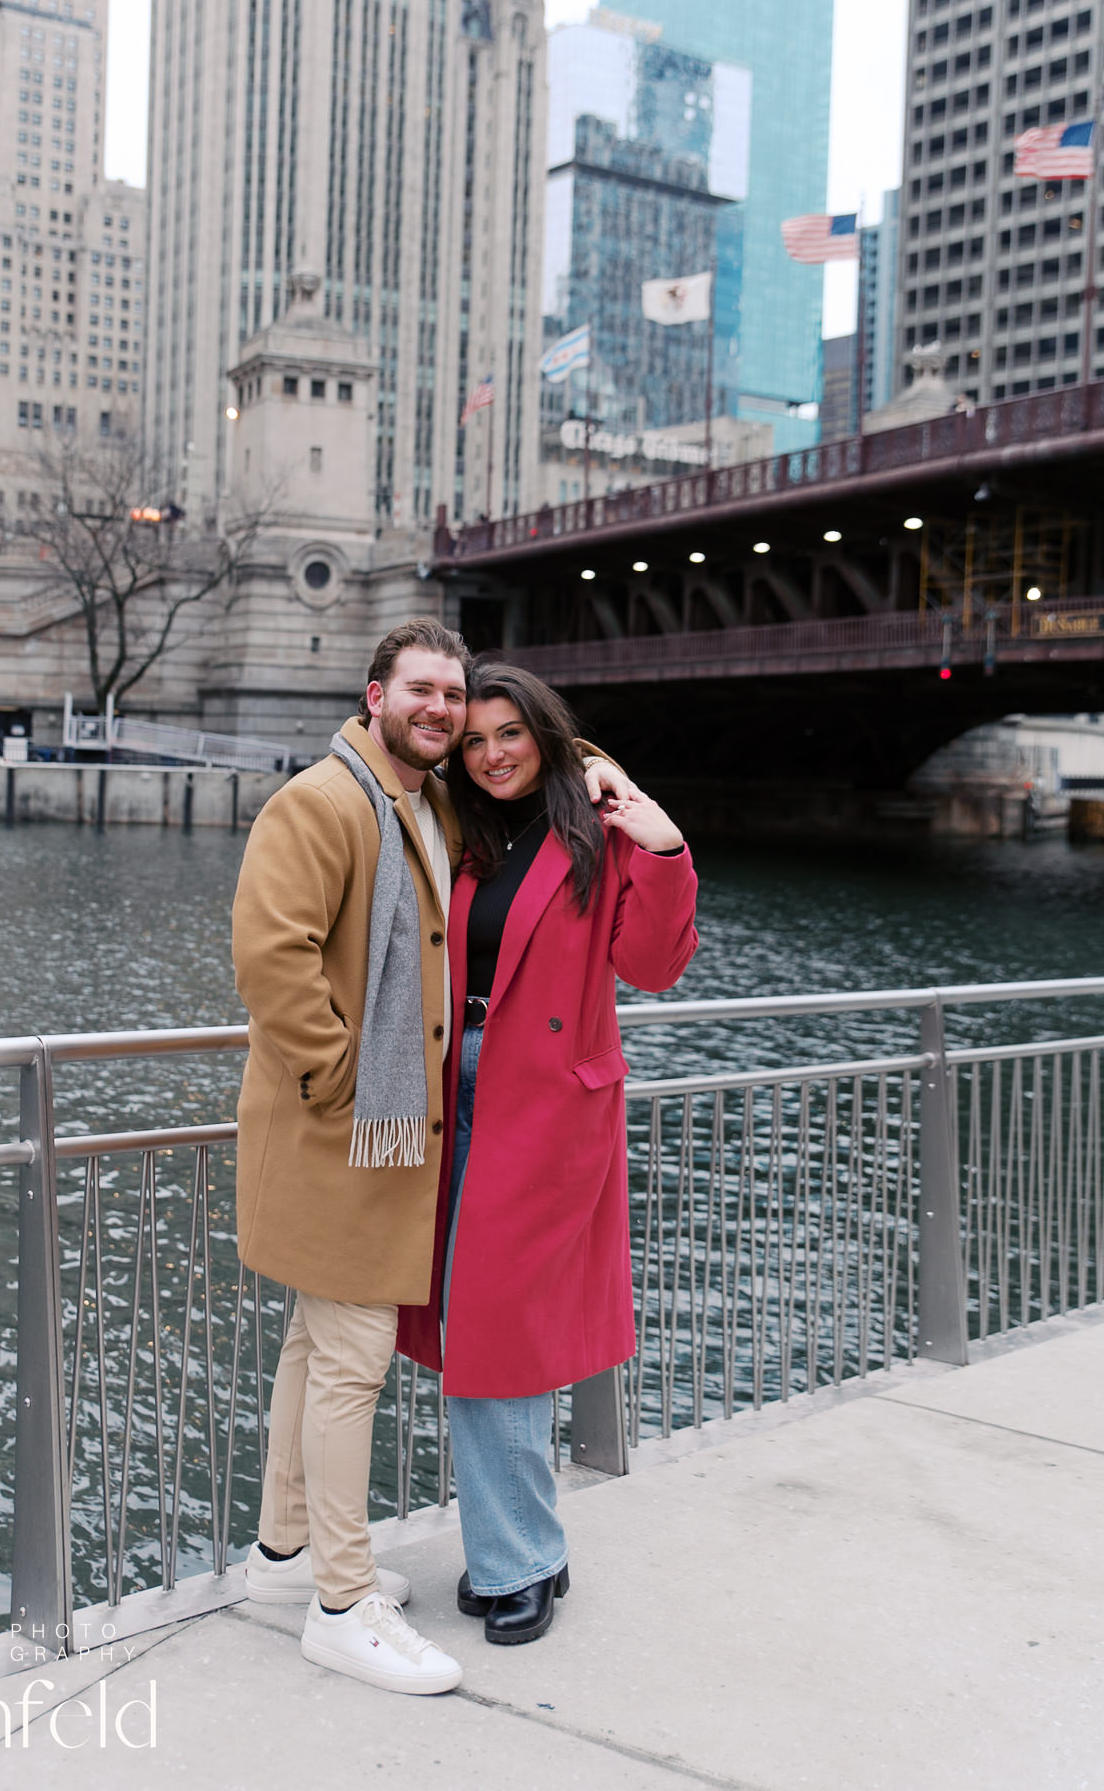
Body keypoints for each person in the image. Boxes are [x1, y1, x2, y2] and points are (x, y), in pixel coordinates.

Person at [232, 619, 628, 1697]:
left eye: (451, 696)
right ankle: (343, 1601)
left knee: (318, 1350)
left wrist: (620, 789)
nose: (443, 711)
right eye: (424, 691)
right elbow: (270, 956)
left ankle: (282, 1560)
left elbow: (547, 780)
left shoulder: (425, 802)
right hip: (353, 1128)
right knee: (352, 1356)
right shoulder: (321, 802)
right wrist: (345, 1084)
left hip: (394, 1131)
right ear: (374, 695)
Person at [398, 660, 699, 1648]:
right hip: (451, 1096)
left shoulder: (596, 834)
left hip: (544, 1108)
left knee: (501, 1341)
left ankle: (518, 1557)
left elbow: (649, 967)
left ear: (543, 732)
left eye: (509, 734)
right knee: (465, 1328)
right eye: (474, 738)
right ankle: (522, 1545)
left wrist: (662, 847)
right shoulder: (461, 829)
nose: (489, 753)